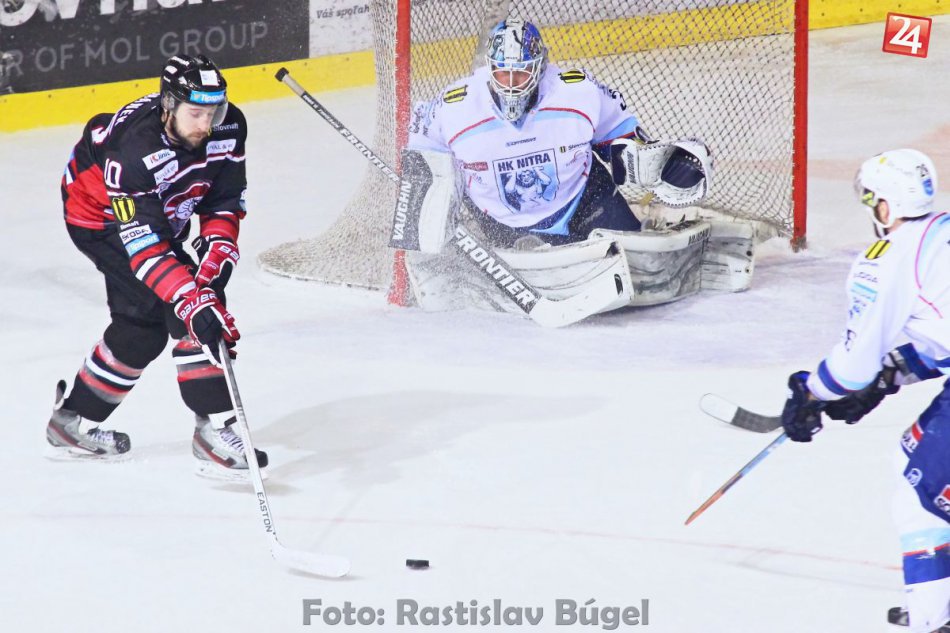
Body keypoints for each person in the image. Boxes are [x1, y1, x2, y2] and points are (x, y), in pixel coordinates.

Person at [46, 54, 266, 478]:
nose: (206, 123)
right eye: (195, 113)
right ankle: (214, 429)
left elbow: (223, 200)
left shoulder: (229, 126)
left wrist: (217, 255)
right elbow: (146, 247)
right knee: (188, 309)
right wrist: (193, 300)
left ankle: (70, 421)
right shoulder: (131, 151)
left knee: (144, 329)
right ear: (168, 106)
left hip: (161, 212)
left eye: (213, 111)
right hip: (100, 219)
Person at [780, 149, 950, 633]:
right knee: (918, 462)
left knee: (919, 490)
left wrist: (812, 392)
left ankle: (932, 617)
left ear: (887, 206)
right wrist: (891, 374)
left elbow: (851, 369)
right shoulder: (942, 231)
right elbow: (940, 338)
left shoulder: (887, 259)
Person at [405, 17, 711, 249]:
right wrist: (420, 214)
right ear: (490, 68)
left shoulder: (577, 91)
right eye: (502, 72)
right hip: (501, 220)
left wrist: (661, 164)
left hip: (582, 200)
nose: (511, 83)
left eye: (521, 72)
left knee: (636, 256)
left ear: (539, 67)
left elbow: (623, 142)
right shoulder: (454, 107)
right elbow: (422, 157)